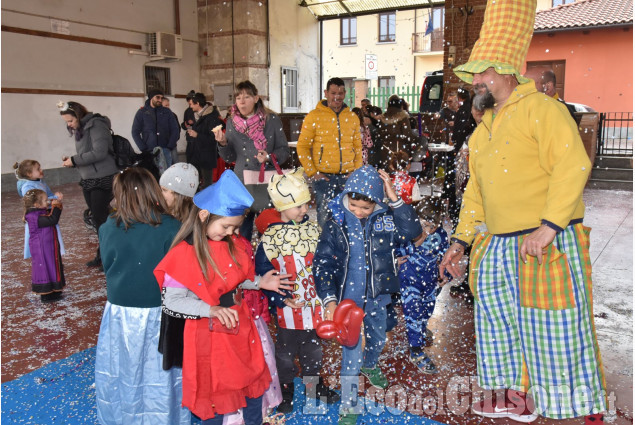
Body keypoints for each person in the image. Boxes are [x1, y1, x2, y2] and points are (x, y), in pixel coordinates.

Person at [441, 0, 606, 423]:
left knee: (554, 330)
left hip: (543, 241)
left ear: (504, 69)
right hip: (497, 245)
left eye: (480, 71)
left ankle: (570, 403)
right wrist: (460, 241)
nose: (474, 79)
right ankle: (516, 399)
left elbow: (572, 166)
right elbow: (475, 194)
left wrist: (550, 226)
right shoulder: (485, 129)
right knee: (498, 328)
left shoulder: (543, 110)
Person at [154, 170, 273, 425]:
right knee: (215, 393)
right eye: (226, 226)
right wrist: (210, 309)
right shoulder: (184, 254)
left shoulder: (234, 243)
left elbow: (235, 278)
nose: (231, 233)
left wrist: (259, 282)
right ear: (204, 215)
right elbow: (172, 301)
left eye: (236, 227)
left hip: (239, 326)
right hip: (208, 335)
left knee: (252, 381)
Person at [314, 165, 421, 425]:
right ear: (346, 198)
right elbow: (323, 263)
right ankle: (349, 406)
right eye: (354, 205)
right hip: (347, 303)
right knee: (351, 352)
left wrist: (394, 198)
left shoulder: (386, 219)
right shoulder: (336, 222)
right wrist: (329, 300)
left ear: (377, 203)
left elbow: (412, 231)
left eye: (366, 207)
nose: (359, 212)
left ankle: (371, 363)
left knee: (377, 337)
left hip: (377, 297)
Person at [94, 167, 189, 425]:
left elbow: (108, 266)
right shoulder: (173, 228)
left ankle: (124, 415)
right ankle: (165, 416)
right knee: (161, 371)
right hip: (162, 312)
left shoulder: (107, 229)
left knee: (124, 367)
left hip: (121, 313)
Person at [255, 168, 340, 414]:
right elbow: (263, 273)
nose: (304, 210)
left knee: (313, 350)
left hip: (313, 306)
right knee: (285, 354)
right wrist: (279, 299)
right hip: (287, 310)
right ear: (281, 207)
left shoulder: (314, 230)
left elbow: (325, 263)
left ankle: (313, 385)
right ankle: (286, 389)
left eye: (306, 204)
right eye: (298, 206)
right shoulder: (270, 238)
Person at [214, 80, 289, 241]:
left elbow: (284, 150)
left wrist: (269, 157)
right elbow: (229, 158)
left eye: (247, 97)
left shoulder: (272, 120)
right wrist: (223, 143)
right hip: (242, 183)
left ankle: (267, 261)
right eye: (238, 97)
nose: (242, 101)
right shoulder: (232, 122)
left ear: (256, 98)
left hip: (266, 183)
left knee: (268, 229)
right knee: (241, 230)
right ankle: (243, 261)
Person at [59, 100, 119, 269]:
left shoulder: (97, 125)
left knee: (101, 219)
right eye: (67, 122)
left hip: (103, 177)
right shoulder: (81, 129)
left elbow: (100, 152)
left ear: (78, 115)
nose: (69, 125)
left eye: (71, 121)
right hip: (89, 178)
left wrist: (75, 160)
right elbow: (86, 153)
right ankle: (103, 254)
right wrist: (72, 161)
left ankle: (110, 256)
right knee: (98, 218)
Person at [296, 77, 363, 228]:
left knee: (350, 218)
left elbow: (358, 147)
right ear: (326, 93)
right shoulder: (314, 116)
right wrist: (313, 172)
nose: (337, 97)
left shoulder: (352, 117)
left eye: (340, 93)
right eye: (333, 93)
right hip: (324, 178)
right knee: (325, 220)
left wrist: (356, 171)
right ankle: (326, 250)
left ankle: (346, 249)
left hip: (348, 177)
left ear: (345, 94)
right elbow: (302, 146)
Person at [396, 198, 448, 374]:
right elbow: (396, 251)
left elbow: (445, 257)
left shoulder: (441, 235)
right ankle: (416, 351)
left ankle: (420, 327)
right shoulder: (407, 233)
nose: (428, 230)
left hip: (430, 282)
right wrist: (413, 245)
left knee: (427, 309)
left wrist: (444, 275)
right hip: (410, 281)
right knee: (414, 312)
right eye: (425, 224)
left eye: (432, 226)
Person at [14, 160, 65, 260]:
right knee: (41, 240)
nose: (41, 170)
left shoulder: (41, 182)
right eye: (38, 169)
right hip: (38, 217)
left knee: (51, 237)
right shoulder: (27, 187)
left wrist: (55, 197)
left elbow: (48, 195)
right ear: (29, 174)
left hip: (47, 212)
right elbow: (35, 202)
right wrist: (53, 198)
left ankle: (53, 256)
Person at [22, 189, 65, 303]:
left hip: (47, 247)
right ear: (36, 204)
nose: (48, 202)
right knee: (45, 268)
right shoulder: (34, 217)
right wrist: (57, 207)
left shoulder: (39, 212)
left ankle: (54, 289)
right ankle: (46, 294)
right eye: (45, 200)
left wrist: (56, 203)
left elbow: (50, 214)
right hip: (42, 249)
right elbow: (52, 219)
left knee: (51, 266)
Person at [131, 89, 181, 167]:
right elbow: (135, 131)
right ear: (151, 98)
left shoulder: (167, 112)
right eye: (157, 97)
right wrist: (143, 148)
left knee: (166, 176)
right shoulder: (142, 112)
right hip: (149, 151)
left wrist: (170, 146)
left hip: (165, 150)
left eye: (161, 98)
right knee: (152, 176)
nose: (160, 100)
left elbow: (175, 129)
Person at [186, 93, 224, 189]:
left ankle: (207, 202)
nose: (190, 107)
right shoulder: (200, 116)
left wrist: (197, 135)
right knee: (196, 182)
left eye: (191, 104)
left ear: (197, 103)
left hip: (206, 156)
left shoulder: (211, 118)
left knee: (207, 184)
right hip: (198, 155)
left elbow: (213, 139)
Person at [376, 94, 413, 169]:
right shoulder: (403, 117)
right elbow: (408, 135)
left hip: (385, 150)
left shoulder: (383, 118)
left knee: (387, 174)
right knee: (400, 173)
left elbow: (379, 134)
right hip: (400, 151)